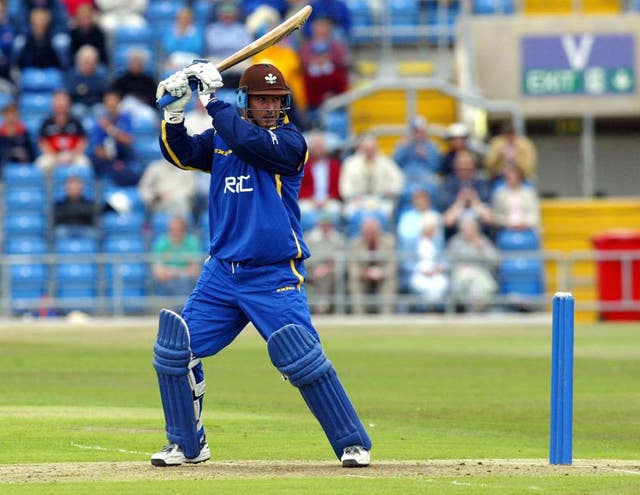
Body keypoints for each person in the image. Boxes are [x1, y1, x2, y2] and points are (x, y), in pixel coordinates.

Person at [151, 61, 371, 468]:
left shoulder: (289, 143)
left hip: (272, 273)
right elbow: (179, 154)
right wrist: (174, 112)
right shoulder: (222, 139)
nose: (269, 106)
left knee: (302, 357)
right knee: (174, 351)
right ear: (246, 101)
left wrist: (211, 101)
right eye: (261, 99)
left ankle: (352, 443)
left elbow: (248, 141)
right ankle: (186, 445)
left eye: (275, 99)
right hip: (222, 273)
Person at [339, 134, 404, 224]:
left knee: (386, 211)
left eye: (372, 148)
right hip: (357, 199)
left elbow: (398, 179)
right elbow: (345, 185)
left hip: (380, 198)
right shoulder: (350, 163)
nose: (369, 151)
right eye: (366, 149)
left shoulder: (386, 162)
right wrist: (351, 197)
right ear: (360, 148)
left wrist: (391, 191)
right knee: (351, 213)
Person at [445, 215, 499, 312]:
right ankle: (473, 310)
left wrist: (481, 249)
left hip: (481, 272)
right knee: (470, 281)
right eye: (465, 228)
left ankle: (476, 310)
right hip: (460, 274)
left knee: (481, 283)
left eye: (470, 228)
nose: (468, 230)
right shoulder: (455, 242)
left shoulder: (483, 241)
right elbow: (449, 262)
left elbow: (495, 261)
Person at [90, 89, 142, 186]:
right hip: (107, 161)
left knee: (134, 170)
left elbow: (128, 140)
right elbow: (98, 150)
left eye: (114, 100)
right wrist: (111, 156)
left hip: (125, 157)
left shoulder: (126, 118)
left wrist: (110, 129)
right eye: (108, 101)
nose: (111, 104)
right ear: (105, 103)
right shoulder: (100, 123)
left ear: (119, 102)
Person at [347, 215, 397, 315]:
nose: (370, 233)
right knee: (354, 282)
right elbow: (352, 265)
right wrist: (363, 273)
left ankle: (386, 316)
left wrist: (382, 273)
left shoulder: (389, 242)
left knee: (390, 281)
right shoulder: (355, 243)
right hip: (363, 276)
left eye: (372, 230)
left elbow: (393, 264)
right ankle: (359, 316)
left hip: (382, 276)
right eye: (367, 230)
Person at [440, 149, 492, 241]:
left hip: (480, 232)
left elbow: (489, 219)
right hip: (456, 232)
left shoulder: (481, 183)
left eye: (468, 168)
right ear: (456, 167)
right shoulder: (449, 183)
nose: (465, 171)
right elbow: (447, 221)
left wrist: (475, 201)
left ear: (474, 167)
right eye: (461, 169)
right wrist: (460, 202)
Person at [35, 90, 91, 171]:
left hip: (73, 155)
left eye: (63, 100)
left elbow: (82, 142)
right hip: (52, 156)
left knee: (84, 163)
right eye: (58, 100)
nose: (61, 104)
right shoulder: (46, 123)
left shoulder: (76, 122)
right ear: (53, 104)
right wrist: (55, 157)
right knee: (41, 163)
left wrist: (72, 156)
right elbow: (43, 143)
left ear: (69, 103)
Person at [298, 130, 342, 228]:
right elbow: (299, 187)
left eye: (320, 146)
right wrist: (312, 199)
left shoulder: (335, 166)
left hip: (329, 200)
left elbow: (338, 187)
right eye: (315, 146)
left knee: (335, 210)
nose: (318, 149)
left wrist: (328, 199)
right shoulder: (303, 166)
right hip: (309, 200)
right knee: (303, 210)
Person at [151, 215, 202, 300]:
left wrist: (171, 272)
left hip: (187, 281)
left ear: (184, 230)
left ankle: (182, 309)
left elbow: (194, 271)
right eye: (171, 229)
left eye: (178, 229)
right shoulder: (161, 243)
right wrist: (181, 272)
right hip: (167, 283)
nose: (174, 232)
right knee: (178, 284)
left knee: (184, 283)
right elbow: (159, 273)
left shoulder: (192, 242)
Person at [304, 212, 345, 314]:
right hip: (311, 268)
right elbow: (305, 258)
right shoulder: (309, 238)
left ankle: (322, 307)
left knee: (327, 275)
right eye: (323, 224)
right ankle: (323, 305)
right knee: (321, 275)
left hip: (332, 269)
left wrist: (327, 267)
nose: (325, 227)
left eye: (328, 225)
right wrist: (318, 266)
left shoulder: (338, 238)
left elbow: (340, 257)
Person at [409, 211, 448, 308]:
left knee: (439, 285)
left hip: (435, 273)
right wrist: (421, 270)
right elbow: (406, 262)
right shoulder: (412, 242)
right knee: (421, 285)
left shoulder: (438, 241)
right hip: (418, 273)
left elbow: (444, 260)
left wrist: (439, 268)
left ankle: (434, 310)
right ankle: (426, 310)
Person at [491, 163, 540, 233]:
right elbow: (496, 216)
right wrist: (507, 224)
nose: (509, 177)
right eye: (507, 175)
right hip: (505, 229)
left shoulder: (529, 193)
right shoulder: (499, 193)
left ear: (519, 176)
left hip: (527, 228)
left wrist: (524, 224)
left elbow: (534, 214)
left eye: (512, 174)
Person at [68, 44, 107, 118]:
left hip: (96, 105)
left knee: (100, 110)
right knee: (77, 110)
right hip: (79, 105)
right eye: (86, 62)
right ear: (79, 63)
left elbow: (104, 93)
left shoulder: (100, 77)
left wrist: (85, 89)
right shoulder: (73, 77)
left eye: (91, 63)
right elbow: (70, 93)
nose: (88, 65)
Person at [53, 174, 97, 239]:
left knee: (93, 234)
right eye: (71, 186)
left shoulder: (89, 203)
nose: (74, 189)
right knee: (59, 232)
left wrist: (71, 211)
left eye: (76, 186)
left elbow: (90, 214)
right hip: (65, 228)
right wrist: (79, 211)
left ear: (81, 188)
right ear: (66, 188)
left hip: (84, 228)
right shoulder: (60, 203)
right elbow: (59, 216)